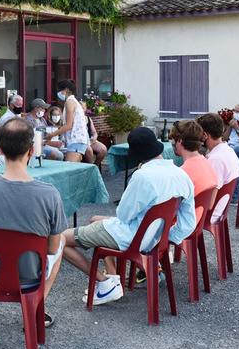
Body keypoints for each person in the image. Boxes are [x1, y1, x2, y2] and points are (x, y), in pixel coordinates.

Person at [62, 127, 195, 305]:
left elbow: (123, 215)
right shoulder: (181, 175)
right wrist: (167, 238)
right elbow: (188, 222)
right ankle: (112, 280)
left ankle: (104, 282)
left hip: (131, 237)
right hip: (153, 238)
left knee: (59, 239)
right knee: (95, 220)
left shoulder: (142, 176)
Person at [0, 118, 66, 327]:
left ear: (0, 149)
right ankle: (36, 306)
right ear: (30, 150)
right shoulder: (49, 194)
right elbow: (52, 249)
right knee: (61, 239)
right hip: (30, 276)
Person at [170, 120, 219, 224]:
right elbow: (210, 204)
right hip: (197, 220)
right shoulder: (207, 163)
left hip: (181, 225)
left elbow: (170, 210)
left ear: (179, 141)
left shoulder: (182, 173)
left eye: (172, 139)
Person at [49, 79, 89, 162]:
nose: (58, 93)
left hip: (76, 140)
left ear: (66, 90)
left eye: (60, 90)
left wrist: (52, 135)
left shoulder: (69, 102)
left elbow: (68, 125)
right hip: (78, 140)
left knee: (69, 167)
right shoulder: (73, 101)